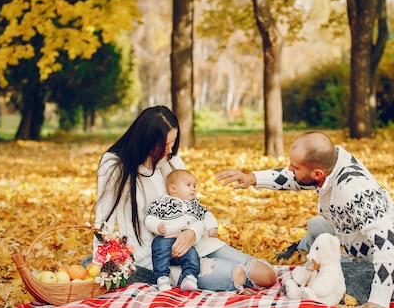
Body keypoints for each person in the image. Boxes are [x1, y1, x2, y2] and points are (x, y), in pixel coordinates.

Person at [217, 131, 394, 308]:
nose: (289, 169)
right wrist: (252, 178)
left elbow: (388, 243)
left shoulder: (355, 190)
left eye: (294, 166)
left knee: (331, 288)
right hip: (356, 242)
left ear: (317, 173)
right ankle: (312, 254)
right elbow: (294, 178)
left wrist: (378, 300)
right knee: (317, 225)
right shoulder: (329, 166)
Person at [90, 105, 277, 293]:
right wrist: (98, 268)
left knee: (266, 275)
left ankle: (206, 265)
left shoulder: (171, 160)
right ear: (146, 140)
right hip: (158, 258)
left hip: (194, 242)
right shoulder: (114, 165)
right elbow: (102, 222)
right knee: (234, 274)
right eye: (165, 144)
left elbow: (193, 204)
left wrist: (193, 233)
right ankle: (186, 275)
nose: (170, 149)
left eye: (173, 142)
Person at [145, 169, 219, 292]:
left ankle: (189, 277)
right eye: (188, 185)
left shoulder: (195, 205)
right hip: (165, 238)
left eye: (194, 186)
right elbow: (149, 217)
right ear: (173, 189)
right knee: (160, 251)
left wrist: (212, 227)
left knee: (192, 256)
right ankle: (162, 277)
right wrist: (157, 225)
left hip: (186, 243)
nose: (193, 189)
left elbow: (207, 215)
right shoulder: (163, 203)